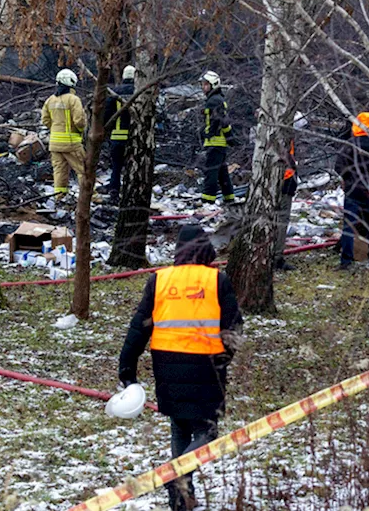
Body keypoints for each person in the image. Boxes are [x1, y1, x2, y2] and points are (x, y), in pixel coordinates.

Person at [118, 223, 243, 511]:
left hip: (166, 364)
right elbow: (234, 328)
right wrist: (224, 359)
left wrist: (127, 368)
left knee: (179, 426)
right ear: (205, 249)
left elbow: (138, 328)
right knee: (207, 431)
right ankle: (178, 479)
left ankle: (181, 498)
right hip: (207, 365)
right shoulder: (217, 280)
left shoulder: (159, 280)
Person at [334, 111, 369, 270]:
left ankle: (346, 261)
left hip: (353, 190)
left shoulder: (350, 145)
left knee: (348, 226)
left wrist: (349, 178)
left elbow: (338, 167)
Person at [42, 68, 86, 198]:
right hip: (71, 143)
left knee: (59, 171)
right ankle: (90, 196)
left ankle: (59, 197)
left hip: (54, 144)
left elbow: (45, 120)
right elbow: (79, 121)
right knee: (83, 170)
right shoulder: (73, 99)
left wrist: (55, 130)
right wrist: (81, 131)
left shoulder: (50, 100)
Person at [273, 112, 308, 271]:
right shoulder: (285, 139)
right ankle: (276, 257)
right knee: (281, 220)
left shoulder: (273, 134)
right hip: (285, 181)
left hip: (277, 181)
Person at [198, 70, 234, 205]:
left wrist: (207, 133)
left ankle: (207, 201)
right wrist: (230, 138)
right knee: (222, 173)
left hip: (215, 142)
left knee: (211, 172)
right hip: (219, 143)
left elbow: (218, 122)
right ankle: (229, 198)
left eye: (206, 84)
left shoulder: (213, 101)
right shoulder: (217, 100)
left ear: (213, 85)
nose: (203, 87)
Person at [103, 65, 136, 205]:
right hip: (134, 139)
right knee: (132, 169)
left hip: (117, 137)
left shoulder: (114, 93)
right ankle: (131, 195)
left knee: (116, 167)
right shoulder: (140, 91)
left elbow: (106, 116)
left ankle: (114, 192)